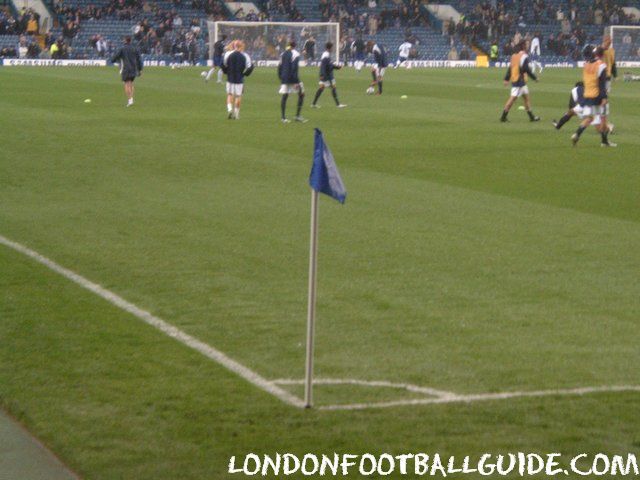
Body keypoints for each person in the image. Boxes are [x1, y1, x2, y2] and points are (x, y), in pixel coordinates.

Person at [571, 46, 615, 147]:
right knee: (603, 118)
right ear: (602, 55)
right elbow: (602, 84)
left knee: (589, 118)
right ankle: (604, 141)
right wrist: (604, 98)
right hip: (598, 96)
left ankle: (576, 134)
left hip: (587, 95)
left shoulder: (586, 65)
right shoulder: (601, 66)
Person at [500, 40, 540, 123]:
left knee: (526, 98)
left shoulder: (514, 55)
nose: (528, 46)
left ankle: (531, 117)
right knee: (512, 98)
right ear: (523, 46)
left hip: (517, 80)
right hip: (519, 81)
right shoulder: (524, 56)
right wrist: (534, 78)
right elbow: (526, 69)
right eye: (527, 44)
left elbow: (511, 68)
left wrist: (507, 79)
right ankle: (503, 117)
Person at [221, 40, 253, 120]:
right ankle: (236, 114)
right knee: (238, 96)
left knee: (229, 94)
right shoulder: (245, 55)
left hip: (230, 78)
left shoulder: (228, 54)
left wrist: (226, 72)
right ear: (241, 46)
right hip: (239, 78)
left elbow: (223, 65)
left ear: (234, 46)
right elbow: (250, 67)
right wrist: (245, 74)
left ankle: (229, 109)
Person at [311, 42, 346, 109]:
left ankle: (313, 104)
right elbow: (323, 66)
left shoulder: (326, 54)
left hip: (325, 74)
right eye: (332, 47)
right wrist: (322, 74)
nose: (333, 49)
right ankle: (338, 104)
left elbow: (329, 65)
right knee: (333, 88)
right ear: (329, 48)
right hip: (327, 75)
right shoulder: (326, 55)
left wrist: (337, 67)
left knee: (321, 88)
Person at [278, 40, 306, 123]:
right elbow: (294, 68)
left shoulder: (283, 54)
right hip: (292, 79)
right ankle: (297, 116)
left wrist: (281, 77)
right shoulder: (295, 54)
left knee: (285, 96)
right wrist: (295, 82)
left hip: (284, 78)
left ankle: (283, 118)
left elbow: (279, 67)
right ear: (295, 46)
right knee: (301, 94)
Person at [111, 36, 143, 107]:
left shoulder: (122, 49)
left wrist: (113, 60)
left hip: (126, 69)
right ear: (130, 41)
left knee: (126, 84)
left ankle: (130, 100)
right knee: (131, 83)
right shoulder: (135, 48)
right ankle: (131, 98)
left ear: (125, 40)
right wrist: (140, 69)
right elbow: (139, 59)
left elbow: (115, 57)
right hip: (133, 69)